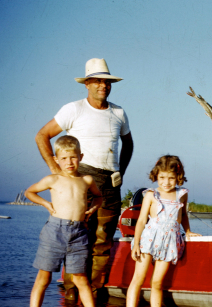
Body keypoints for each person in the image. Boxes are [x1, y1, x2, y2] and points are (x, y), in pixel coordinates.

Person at [34, 58, 134, 299]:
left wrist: (120, 170)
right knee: (75, 236)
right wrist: (56, 170)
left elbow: (128, 143)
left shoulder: (119, 112)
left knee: (103, 240)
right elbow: (42, 135)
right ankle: (71, 291)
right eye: (97, 81)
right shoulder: (73, 109)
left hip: (110, 181)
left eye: (107, 82)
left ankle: (95, 289)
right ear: (87, 84)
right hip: (81, 177)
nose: (103, 85)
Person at [26, 136, 103, 307]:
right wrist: (46, 204)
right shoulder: (52, 179)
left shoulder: (87, 180)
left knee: (81, 279)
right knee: (44, 277)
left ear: (80, 157)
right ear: (56, 160)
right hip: (54, 232)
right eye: (64, 158)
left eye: (73, 157)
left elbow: (98, 197)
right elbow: (30, 192)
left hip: (79, 233)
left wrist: (92, 209)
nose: (69, 162)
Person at [126, 155, 201, 307]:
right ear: (156, 175)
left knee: (157, 282)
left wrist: (187, 231)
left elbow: (184, 215)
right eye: (162, 177)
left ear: (178, 177)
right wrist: (136, 245)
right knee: (138, 279)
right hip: (148, 240)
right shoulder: (151, 194)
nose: (166, 182)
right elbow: (141, 220)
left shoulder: (182, 194)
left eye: (171, 178)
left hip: (169, 242)